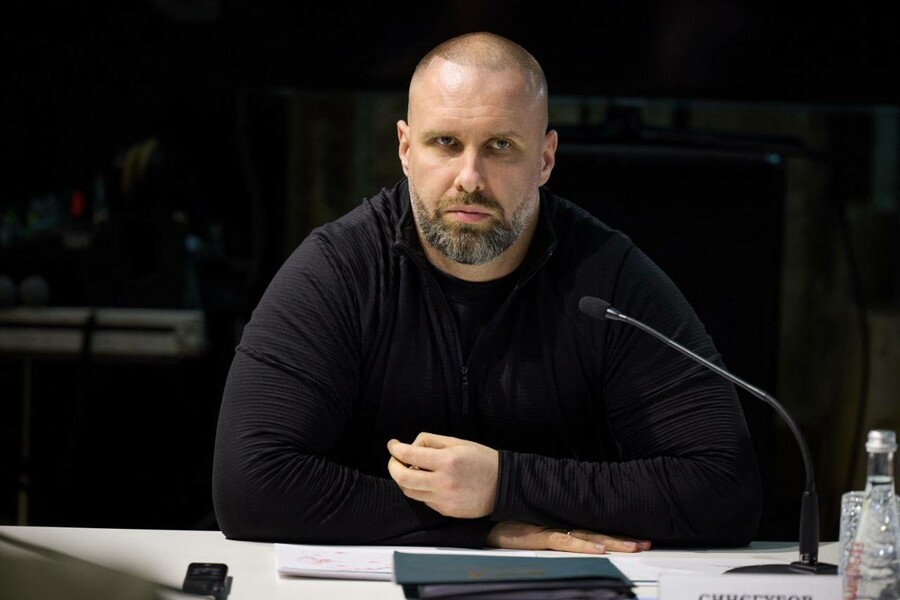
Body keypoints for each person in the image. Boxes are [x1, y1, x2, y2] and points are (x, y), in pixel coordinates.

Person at [212, 31, 761, 553]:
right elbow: (248, 487)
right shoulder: (340, 269)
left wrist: (504, 482)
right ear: (405, 148)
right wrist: (482, 526)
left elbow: (725, 485)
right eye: (445, 143)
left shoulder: (607, 276)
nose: (469, 177)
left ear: (545, 158)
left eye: (500, 146)